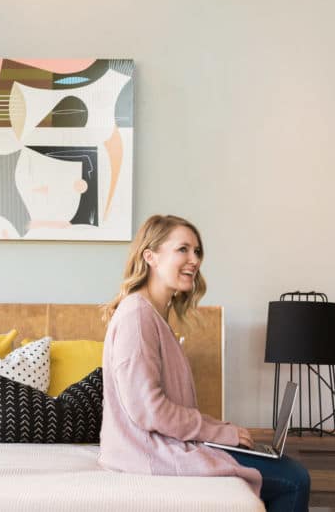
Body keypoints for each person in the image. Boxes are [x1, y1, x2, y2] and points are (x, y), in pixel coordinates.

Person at [98, 214, 310, 512]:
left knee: (284, 468)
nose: (194, 260)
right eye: (182, 249)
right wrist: (220, 433)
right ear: (151, 257)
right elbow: (150, 411)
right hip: (145, 453)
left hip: (161, 444)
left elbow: (165, 406)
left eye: (197, 251)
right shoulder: (137, 316)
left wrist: (222, 428)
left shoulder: (153, 315)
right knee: (295, 478)